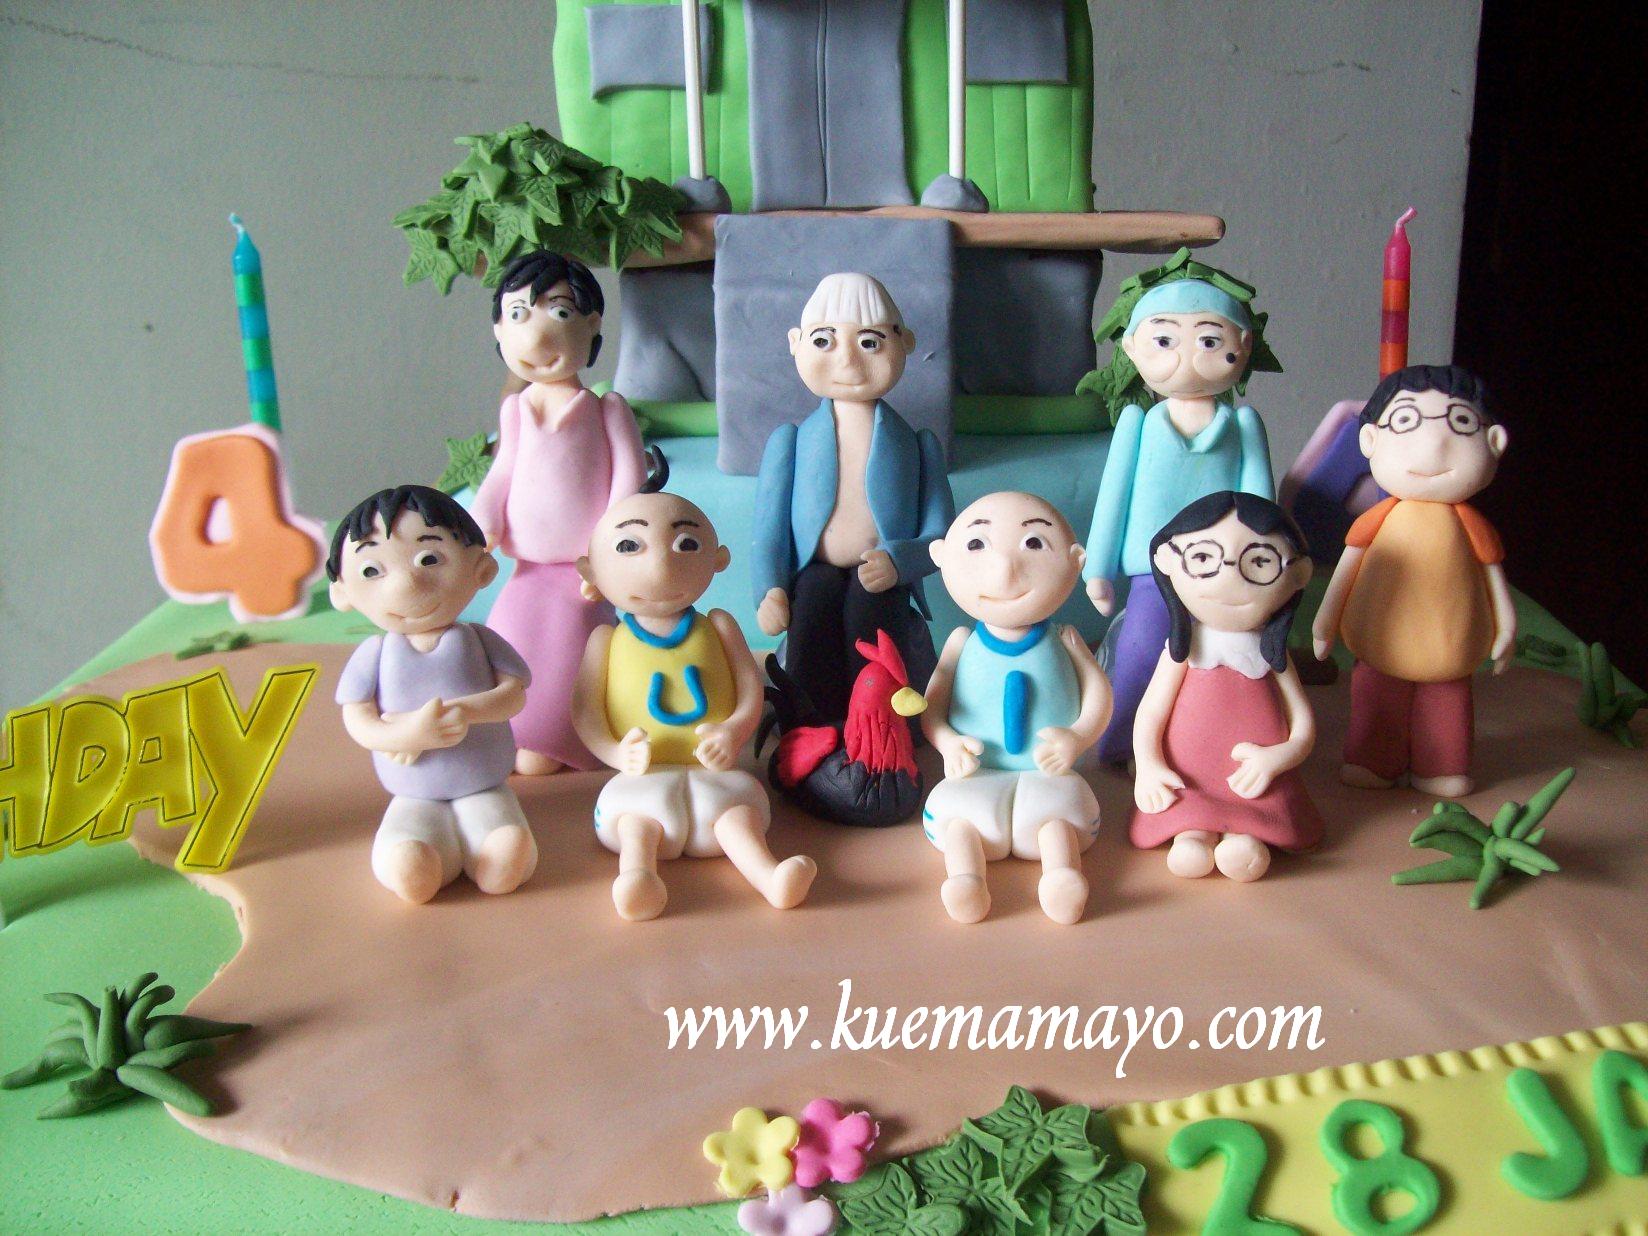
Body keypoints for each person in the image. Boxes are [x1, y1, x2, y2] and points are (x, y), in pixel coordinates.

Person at [573, 490, 818, 921]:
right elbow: (586, 712)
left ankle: (770, 877)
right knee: (636, 822)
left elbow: (750, 689)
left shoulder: (719, 625)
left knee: (736, 816)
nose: (660, 565)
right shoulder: (606, 640)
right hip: (642, 773)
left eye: (685, 544)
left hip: (712, 769)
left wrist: (733, 731)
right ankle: (637, 878)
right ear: (590, 568)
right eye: (629, 545)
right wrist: (614, 752)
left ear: (717, 559)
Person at [1081, 259, 1278, 764]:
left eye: (1210, 340)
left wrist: (1266, 572)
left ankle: (1202, 752)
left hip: (1226, 575)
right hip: (1154, 571)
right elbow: (1113, 497)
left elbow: (1261, 508)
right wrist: (1098, 569)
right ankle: (1119, 743)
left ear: (1243, 345)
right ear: (1131, 347)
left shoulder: (1243, 426)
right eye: (1164, 340)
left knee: (1222, 664)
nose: (1187, 355)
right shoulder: (1137, 423)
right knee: (1141, 650)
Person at [472, 250, 647, 776]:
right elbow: (501, 474)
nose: (537, 334)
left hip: (584, 574)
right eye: (518, 314)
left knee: (576, 652)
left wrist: (611, 554)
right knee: (508, 639)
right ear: (500, 330)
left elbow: (629, 479)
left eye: (561, 312)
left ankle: (569, 740)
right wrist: (481, 526)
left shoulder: (606, 409)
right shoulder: (515, 410)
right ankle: (515, 736)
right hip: (525, 571)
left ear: (591, 325)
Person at [751, 273, 954, 727]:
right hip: (813, 572)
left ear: (905, 343)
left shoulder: (918, 445)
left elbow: (942, 536)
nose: (847, 359)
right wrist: (770, 590)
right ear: (795, 343)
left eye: (869, 343)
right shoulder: (790, 441)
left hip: (882, 576)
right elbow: (769, 530)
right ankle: (809, 729)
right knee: (811, 613)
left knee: (874, 624)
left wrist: (900, 561)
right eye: (824, 341)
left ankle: (876, 731)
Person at [1312, 364, 1515, 797]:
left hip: (1450, 650)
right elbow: (1345, 573)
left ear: (1494, 442)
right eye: (1406, 421)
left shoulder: (1470, 526)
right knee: (1375, 703)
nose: (1433, 444)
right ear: (1370, 440)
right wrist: (1323, 624)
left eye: (1461, 423)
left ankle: (1441, 767)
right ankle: (1373, 761)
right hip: (1379, 645)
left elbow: (1492, 577)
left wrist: (1506, 630)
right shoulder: (1377, 520)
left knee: (1446, 708)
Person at [328, 485, 537, 904]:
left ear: (481, 569)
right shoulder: (375, 653)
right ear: (342, 592)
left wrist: (463, 712)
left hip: (483, 780)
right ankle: (416, 861)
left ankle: (495, 855)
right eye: (371, 570)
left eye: (430, 559)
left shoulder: (479, 640)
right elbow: (357, 718)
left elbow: (514, 695)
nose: (406, 583)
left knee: (502, 833)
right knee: (408, 842)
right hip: (413, 789)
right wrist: (405, 735)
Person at [920, 493, 1112, 925]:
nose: (1005, 569)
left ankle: (1062, 878)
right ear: (942, 557)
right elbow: (933, 707)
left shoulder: (1066, 638)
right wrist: (948, 743)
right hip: (976, 773)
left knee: (1060, 819)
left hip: (1048, 774)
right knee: (958, 821)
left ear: (1075, 560)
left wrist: (1077, 737)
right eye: (976, 544)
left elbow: (1099, 694)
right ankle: (966, 882)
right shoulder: (960, 643)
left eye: (1033, 543)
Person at [1131, 491, 1322, 882]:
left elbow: (1303, 725)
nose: (1228, 577)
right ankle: (1191, 836)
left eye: (1260, 562)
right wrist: (1148, 766)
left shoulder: (1272, 655)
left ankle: (1246, 841)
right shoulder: (1183, 651)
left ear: (1298, 574)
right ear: (1168, 561)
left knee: (1253, 826)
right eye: (1203, 558)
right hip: (1188, 779)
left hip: (1257, 785)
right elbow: (1150, 712)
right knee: (1188, 828)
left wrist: (1277, 759)